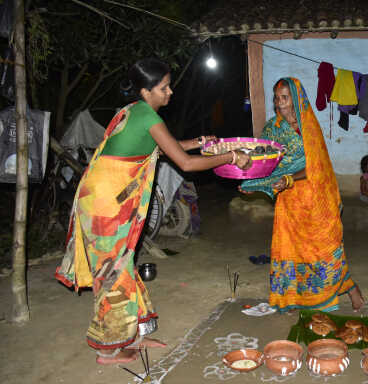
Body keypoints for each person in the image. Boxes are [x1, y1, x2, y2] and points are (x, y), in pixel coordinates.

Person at [55, 58, 251, 365]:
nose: (170, 92)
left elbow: (159, 148)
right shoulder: (146, 115)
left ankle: (135, 334)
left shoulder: (134, 111)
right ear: (146, 91)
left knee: (123, 266)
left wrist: (198, 142)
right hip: (105, 205)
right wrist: (230, 156)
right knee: (113, 273)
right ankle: (108, 349)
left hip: (103, 198)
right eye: (163, 87)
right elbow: (184, 164)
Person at [239, 77, 364, 313]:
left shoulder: (309, 128)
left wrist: (288, 179)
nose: (280, 103)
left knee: (325, 248)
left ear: (296, 99)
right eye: (277, 98)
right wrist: (253, 182)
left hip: (316, 198)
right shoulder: (272, 129)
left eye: (285, 98)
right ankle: (293, 298)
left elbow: (316, 167)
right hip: (289, 202)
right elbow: (265, 163)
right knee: (291, 250)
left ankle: (351, 288)